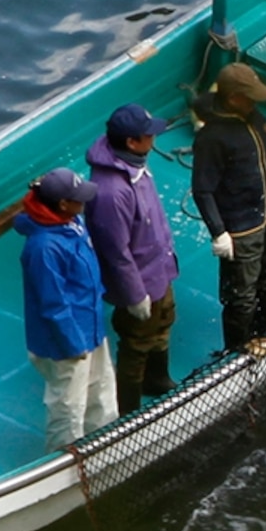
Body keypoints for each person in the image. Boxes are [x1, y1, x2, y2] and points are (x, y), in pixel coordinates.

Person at [192, 62, 266, 350]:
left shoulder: (254, 118)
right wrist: (219, 231)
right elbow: (202, 189)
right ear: (234, 98)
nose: (257, 101)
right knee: (242, 295)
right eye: (251, 96)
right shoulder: (212, 138)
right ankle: (237, 351)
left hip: (265, 213)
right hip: (240, 228)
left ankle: (263, 335)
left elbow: (262, 158)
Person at [16, 168, 117, 449]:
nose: (84, 201)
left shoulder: (72, 223)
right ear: (62, 204)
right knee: (67, 407)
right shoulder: (44, 248)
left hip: (91, 329)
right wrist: (74, 345)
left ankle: (108, 444)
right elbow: (53, 304)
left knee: (102, 390)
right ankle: (65, 461)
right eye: (78, 197)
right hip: (65, 344)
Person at [88, 103, 179, 410]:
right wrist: (134, 294)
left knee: (163, 321)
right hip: (140, 282)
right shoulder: (111, 192)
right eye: (148, 135)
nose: (153, 140)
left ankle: (158, 378)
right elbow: (115, 251)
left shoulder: (136, 166)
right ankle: (128, 408)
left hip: (160, 270)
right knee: (136, 344)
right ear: (131, 142)